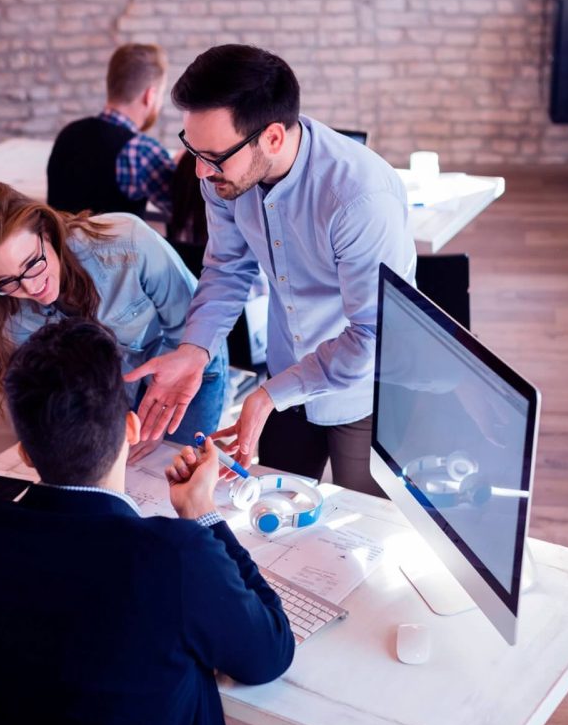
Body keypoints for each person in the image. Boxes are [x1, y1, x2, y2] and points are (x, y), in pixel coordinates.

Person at [0, 319, 363, 725]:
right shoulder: (171, 553)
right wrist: (203, 517)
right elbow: (269, 654)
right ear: (133, 428)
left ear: (24, 450)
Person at [127, 43, 416, 502]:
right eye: (192, 150)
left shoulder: (359, 199)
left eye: (214, 156)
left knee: (365, 527)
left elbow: (372, 338)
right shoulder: (223, 174)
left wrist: (267, 395)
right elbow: (227, 267)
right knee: (271, 513)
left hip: (364, 387)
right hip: (284, 370)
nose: (200, 171)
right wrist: (195, 348)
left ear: (273, 138)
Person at [0, 182, 228, 459]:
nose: (31, 288)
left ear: (46, 232)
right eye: (7, 281)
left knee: (177, 471)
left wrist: (157, 414)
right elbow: (46, 387)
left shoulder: (128, 244)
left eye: (33, 263)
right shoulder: (6, 310)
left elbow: (193, 328)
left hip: (187, 367)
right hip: (107, 389)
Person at [46, 43, 176, 217]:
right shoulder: (141, 150)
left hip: (59, 244)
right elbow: (187, 211)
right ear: (150, 96)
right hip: (118, 245)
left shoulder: (67, 134)